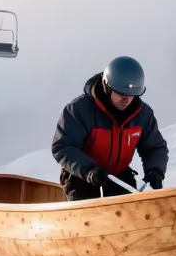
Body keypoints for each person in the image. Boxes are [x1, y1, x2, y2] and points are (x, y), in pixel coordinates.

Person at [52, 56, 169, 200]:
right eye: (121, 94)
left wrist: (155, 172)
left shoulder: (143, 115)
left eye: (132, 95)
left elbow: (155, 148)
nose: (126, 100)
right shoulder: (79, 110)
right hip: (82, 178)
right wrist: (90, 171)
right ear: (107, 86)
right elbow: (63, 147)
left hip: (119, 178)